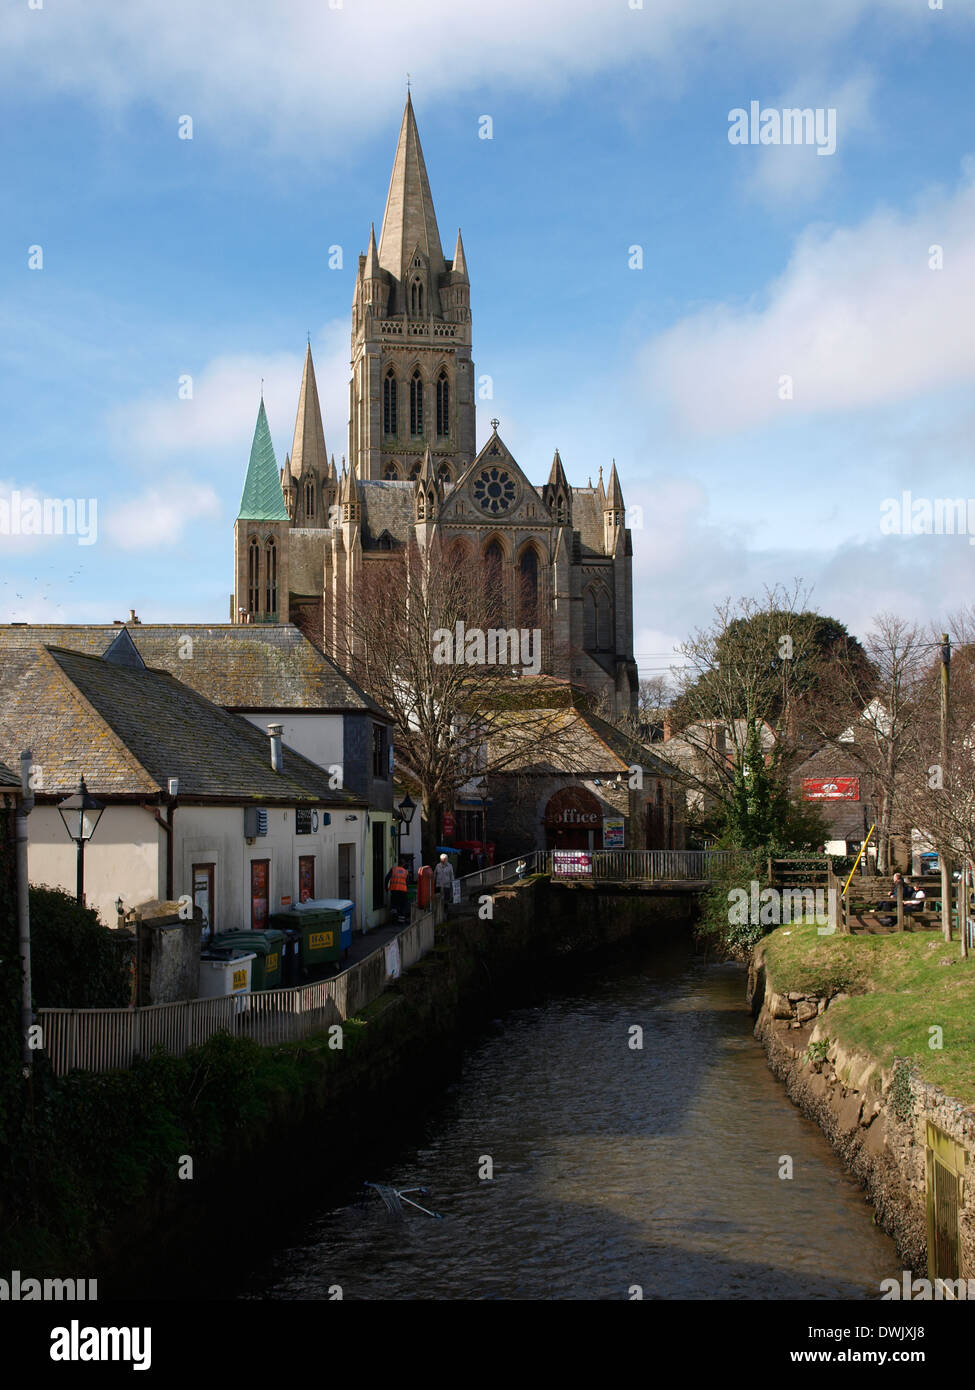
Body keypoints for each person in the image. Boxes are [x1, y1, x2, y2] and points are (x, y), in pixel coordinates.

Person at [385, 858, 409, 923]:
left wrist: (386, 887)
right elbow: (407, 882)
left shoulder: (393, 869)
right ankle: (401, 921)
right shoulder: (405, 872)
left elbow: (387, 878)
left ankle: (394, 920)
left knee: (394, 905)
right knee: (402, 905)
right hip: (403, 891)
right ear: (403, 864)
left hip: (394, 890)